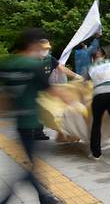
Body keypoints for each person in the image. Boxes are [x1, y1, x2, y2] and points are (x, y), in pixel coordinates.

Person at [0, 28, 62, 204]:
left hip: (18, 123)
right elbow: (51, 91)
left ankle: (44, 198)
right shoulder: (34, 66)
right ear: (32, 44)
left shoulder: (7, 64)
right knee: (29, 168)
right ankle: (39, 199)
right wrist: (74, 96)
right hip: (30, 123)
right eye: (39, 45)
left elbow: (3, 96)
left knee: (31, 164)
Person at [34, 39, 81, 140]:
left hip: (43, 88)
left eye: (47, 49)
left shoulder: (50, 59)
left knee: (44, 110)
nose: (45, 50)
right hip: (31, 88)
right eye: (43, 48)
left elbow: (62, 68)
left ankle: (38, 132)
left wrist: (76, 76)